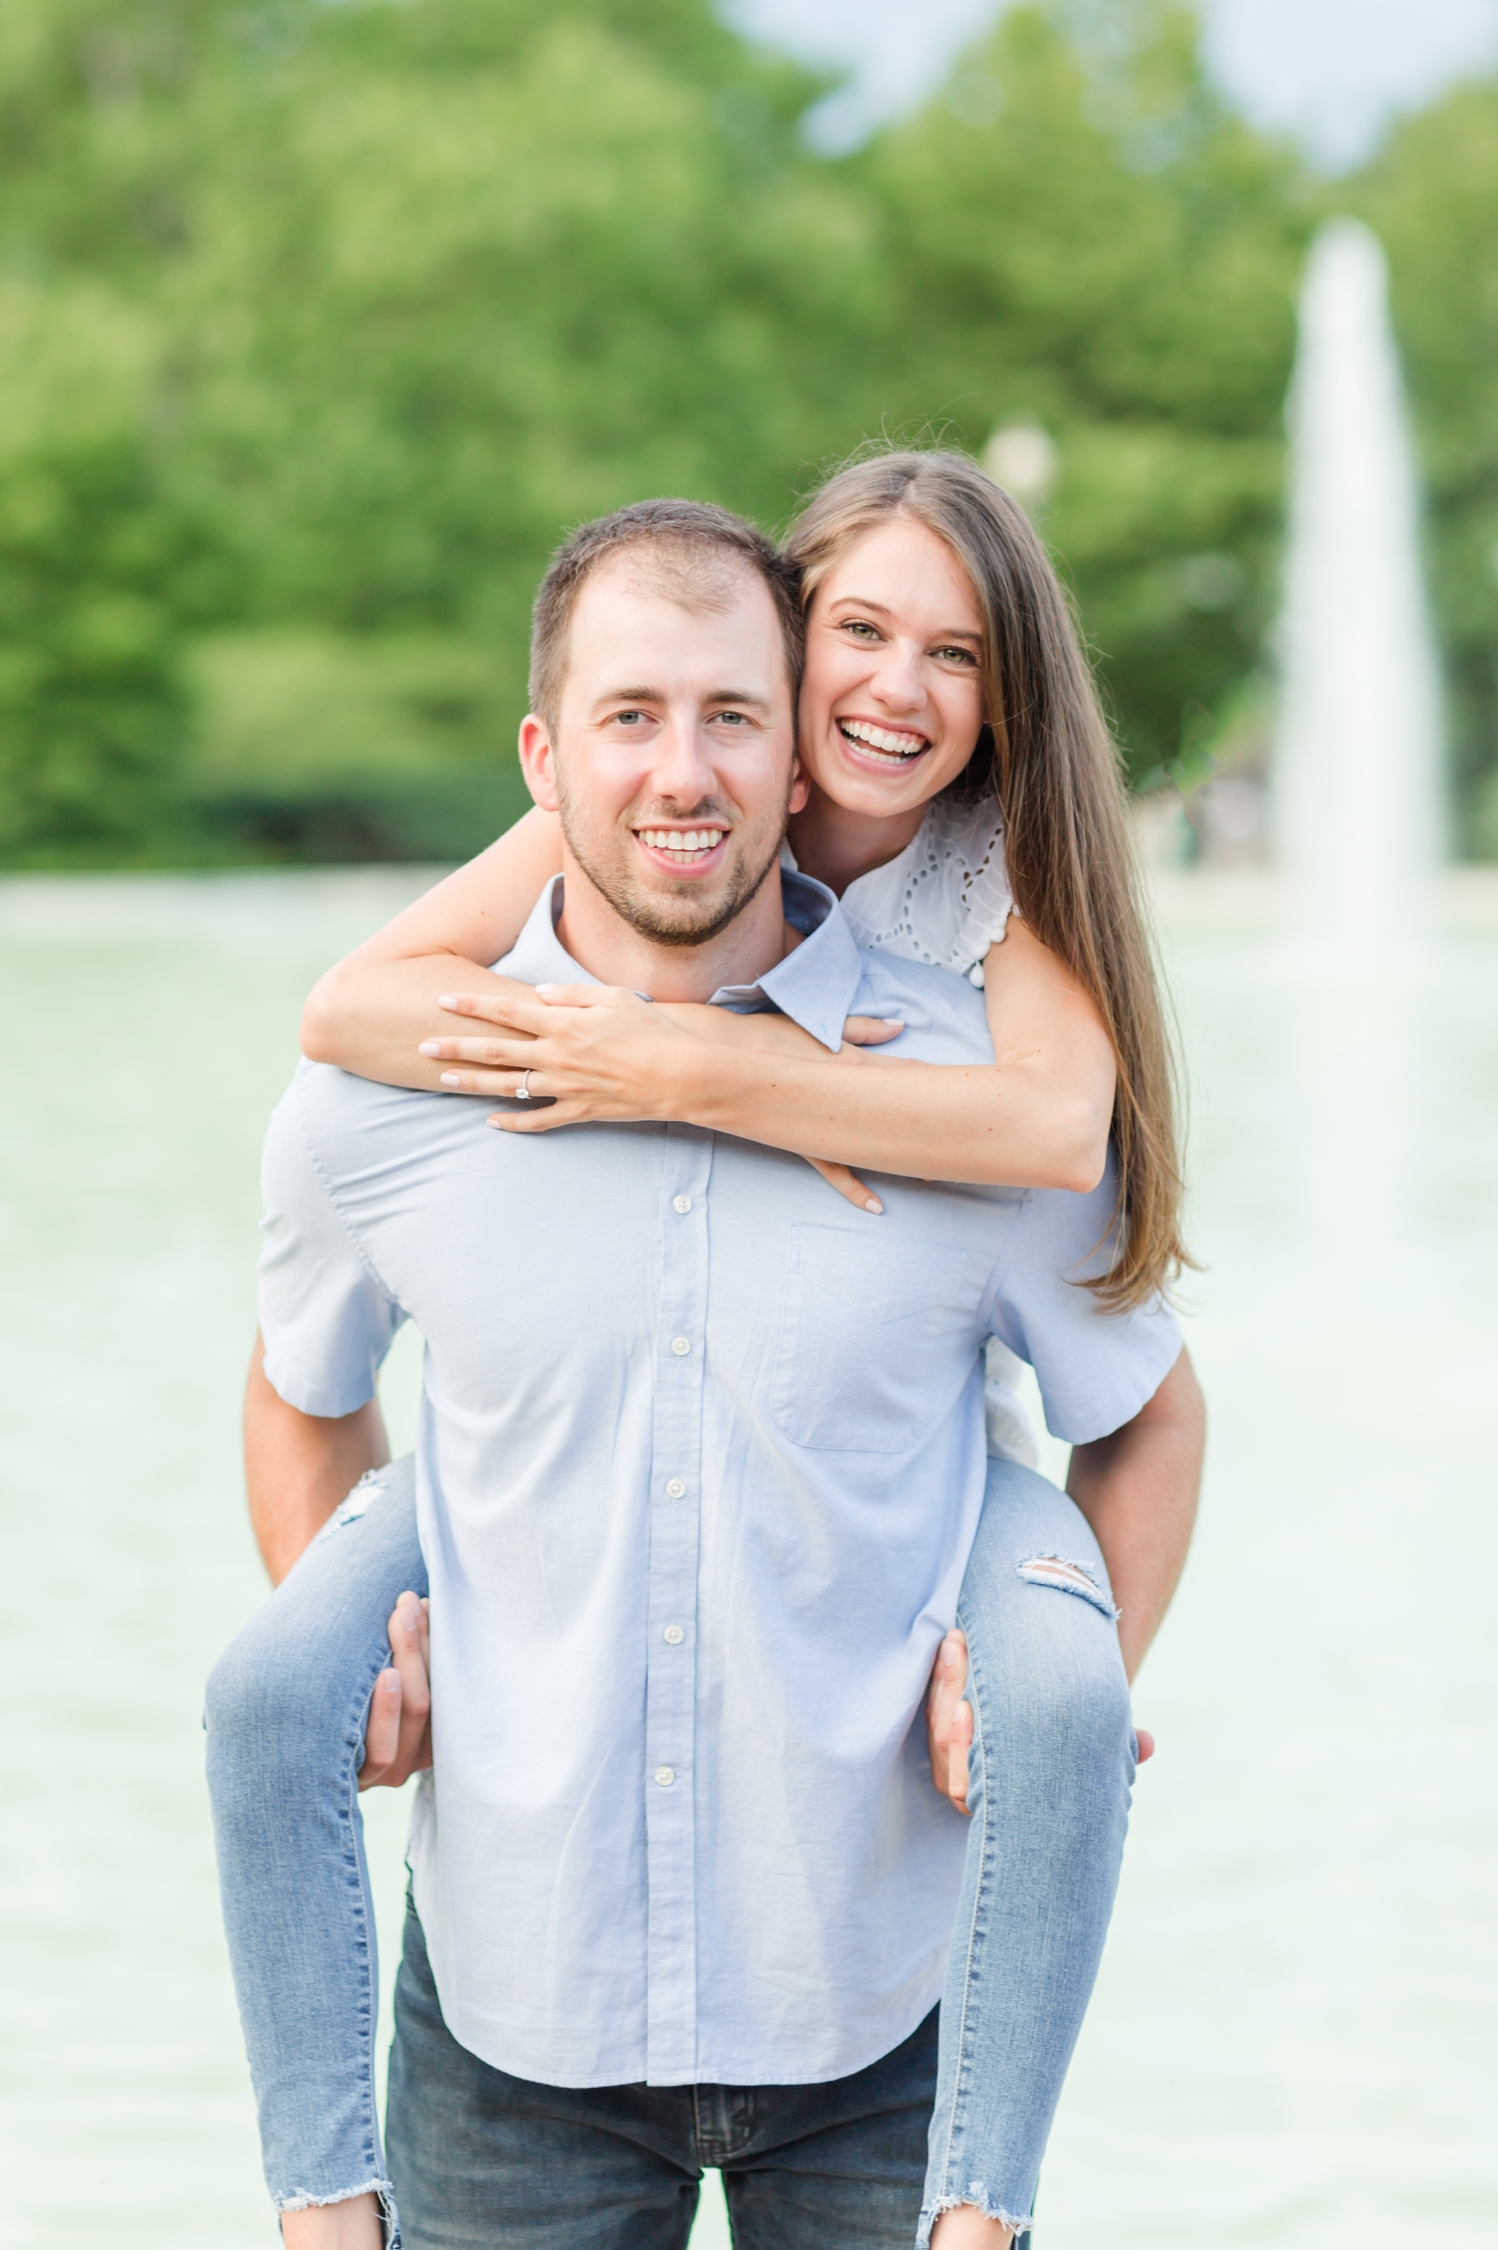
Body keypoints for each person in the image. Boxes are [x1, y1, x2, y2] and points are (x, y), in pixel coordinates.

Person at [206, 469, 1203, 2250]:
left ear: (788, 746)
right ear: (548, 750)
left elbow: (1123, 1334)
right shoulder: (403, 1096)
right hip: (516, 2015)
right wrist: (380, 1649)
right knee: (265, 1682)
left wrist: (1039, 1687)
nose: (687, 770)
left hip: (881, 2002)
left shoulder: (973, 1045)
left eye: (729, 717)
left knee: (1061, 1692)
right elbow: (301, 1373)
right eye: (637, 720)